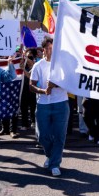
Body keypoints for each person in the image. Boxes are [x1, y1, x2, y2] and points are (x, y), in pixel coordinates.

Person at [30, 38, 69, 176]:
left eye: (52, 48)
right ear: (43, 50)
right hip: (43, 104)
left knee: (59, 135)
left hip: (61, 103)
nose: (49, 50)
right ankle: (50, 155)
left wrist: (55, 84)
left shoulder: (62, 65)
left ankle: (55, 164)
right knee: (42, 136)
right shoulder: (38, 66)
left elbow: (70, 83)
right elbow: (31, 85)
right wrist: (42, 90)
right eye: (47, 48)